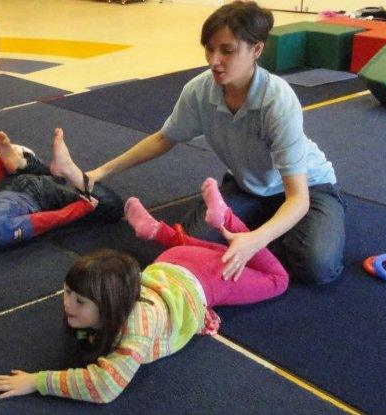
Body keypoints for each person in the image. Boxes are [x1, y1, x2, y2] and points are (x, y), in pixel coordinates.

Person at [83, 1, 345, 284]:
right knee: (190, 245)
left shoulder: (277, 101)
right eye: (209, 48)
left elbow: (298, 198)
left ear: (256, 50)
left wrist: (255, 241)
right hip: (249, 186)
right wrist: (99, 172)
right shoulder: (199, 91)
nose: (213, 60)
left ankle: (275, 230)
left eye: (227, 50)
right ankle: (264, 229)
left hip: (309, 188)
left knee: (316, 265)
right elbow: (163, 138)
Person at [0, 178, 289, 403]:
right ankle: (166, 231)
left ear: (109, 305)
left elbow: (103, 388)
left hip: (195, 275)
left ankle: (226, 221)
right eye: (66, 293)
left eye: (78, 300)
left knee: (278, 279)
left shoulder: (137, 330)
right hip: (174, 264)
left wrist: (38, 381)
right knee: (213, 252)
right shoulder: (110, 298)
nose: (67, 305)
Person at [0, 128, 123, 249]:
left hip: (40, 194)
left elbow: (46, 220)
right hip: (18, 187)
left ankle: (68, 171)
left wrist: (82, 208)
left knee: (113, 208)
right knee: (51, 176)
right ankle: (21, 164)